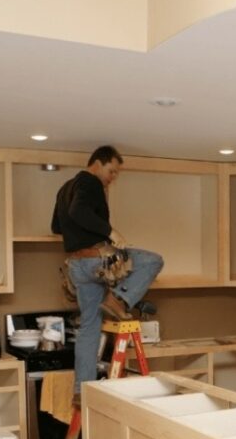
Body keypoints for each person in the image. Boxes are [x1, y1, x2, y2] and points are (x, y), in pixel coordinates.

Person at [52, 145, 163, 404]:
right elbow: (78, 212)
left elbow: (57, 225)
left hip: (76, 267)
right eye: (112, 171)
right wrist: (111, 233)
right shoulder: (89, 182)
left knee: (89, 327)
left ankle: (81, 390)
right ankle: (119, 299)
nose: (113, 177)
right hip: (96, 261)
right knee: (153, 260)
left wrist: (78, 235)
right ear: (97, 164)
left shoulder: (64, 189)